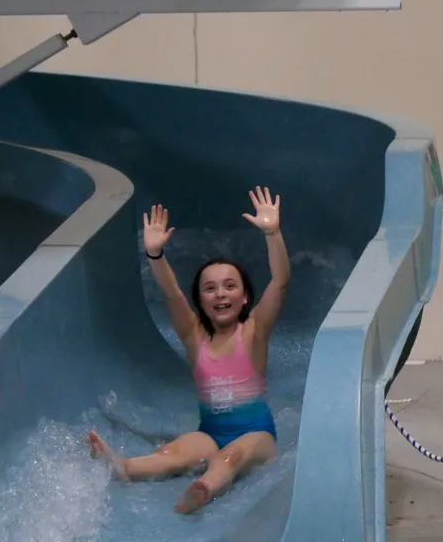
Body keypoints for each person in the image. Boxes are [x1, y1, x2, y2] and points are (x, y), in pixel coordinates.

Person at [86, 186, 290, 514]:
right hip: (210, 433)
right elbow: (171, 293)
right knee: (173, 453)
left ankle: (203, 489)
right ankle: (123, 466)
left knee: (231, 458)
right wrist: (155, 254)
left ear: (245, 297)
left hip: (257, 436)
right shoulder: (194, 337)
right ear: (201, 301)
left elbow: (280, 280)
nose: (220, 294)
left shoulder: (254, 331)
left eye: (230, 286)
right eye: (209, 289)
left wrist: (272, 232)